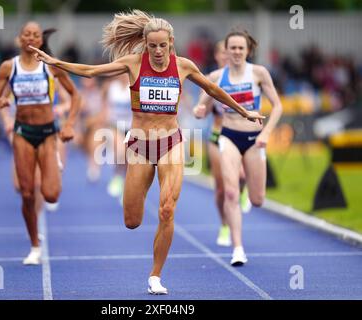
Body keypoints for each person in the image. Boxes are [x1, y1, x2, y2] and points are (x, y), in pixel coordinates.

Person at [29, 10, 263, 294]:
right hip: (139, 147)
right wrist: (56, 62)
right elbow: (91, 71)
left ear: (171, 43)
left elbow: (213, 89)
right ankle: (142, 236)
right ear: (145, 43)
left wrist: (243, 111)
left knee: (167, 210)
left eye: (162, 45)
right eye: (152, 46)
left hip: (171, 144)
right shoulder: (133, 63)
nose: (157, 51)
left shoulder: (184, 66)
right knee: (132, 221)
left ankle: (155, 276)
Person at [0, 21, 80, 265]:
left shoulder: (50, 66)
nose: (31, 38)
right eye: (26, 34)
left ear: (40, 41)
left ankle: (55, 163)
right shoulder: (9, 67)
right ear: (20, 39)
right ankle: (34, 246)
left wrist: (69, 124)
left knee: (50, 195)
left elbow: (76, 95)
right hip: (22, 133)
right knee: (27, 193)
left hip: (48, 131)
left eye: (36, 35)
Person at [193, 30, 283, 266]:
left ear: (247, 50)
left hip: (255, 140)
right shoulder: (216, 76)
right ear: (226, 51)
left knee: (258, 200)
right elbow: (200, 105)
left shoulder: (259, 73)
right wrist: (199, 110)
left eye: (240, 48)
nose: (235, 52)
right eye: (231, 48)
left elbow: (278, 107)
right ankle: (238, 249)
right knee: (230, 193)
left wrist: (266, 134)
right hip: (228, 136)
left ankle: (248, 195)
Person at [194, 40, 251, 248]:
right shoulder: (212, 79)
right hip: (218, 135)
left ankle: (242, 190)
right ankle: (224, 224)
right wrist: (200, 111)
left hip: (241, 134)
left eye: (230, 52)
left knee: (242, 176)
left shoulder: (245, 76)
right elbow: (202, 108)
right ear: (217, 56)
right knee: (220, 190)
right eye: (222, 53)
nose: (227, 56)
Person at [103, 73, 132, 202]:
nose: (123, 76)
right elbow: (105, 104)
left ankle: (126, 186)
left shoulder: (134, 88)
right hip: (115, 125)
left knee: (128, 159)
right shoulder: (111, 87)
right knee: (120, 152)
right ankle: (117, 177)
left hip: (131, 127)